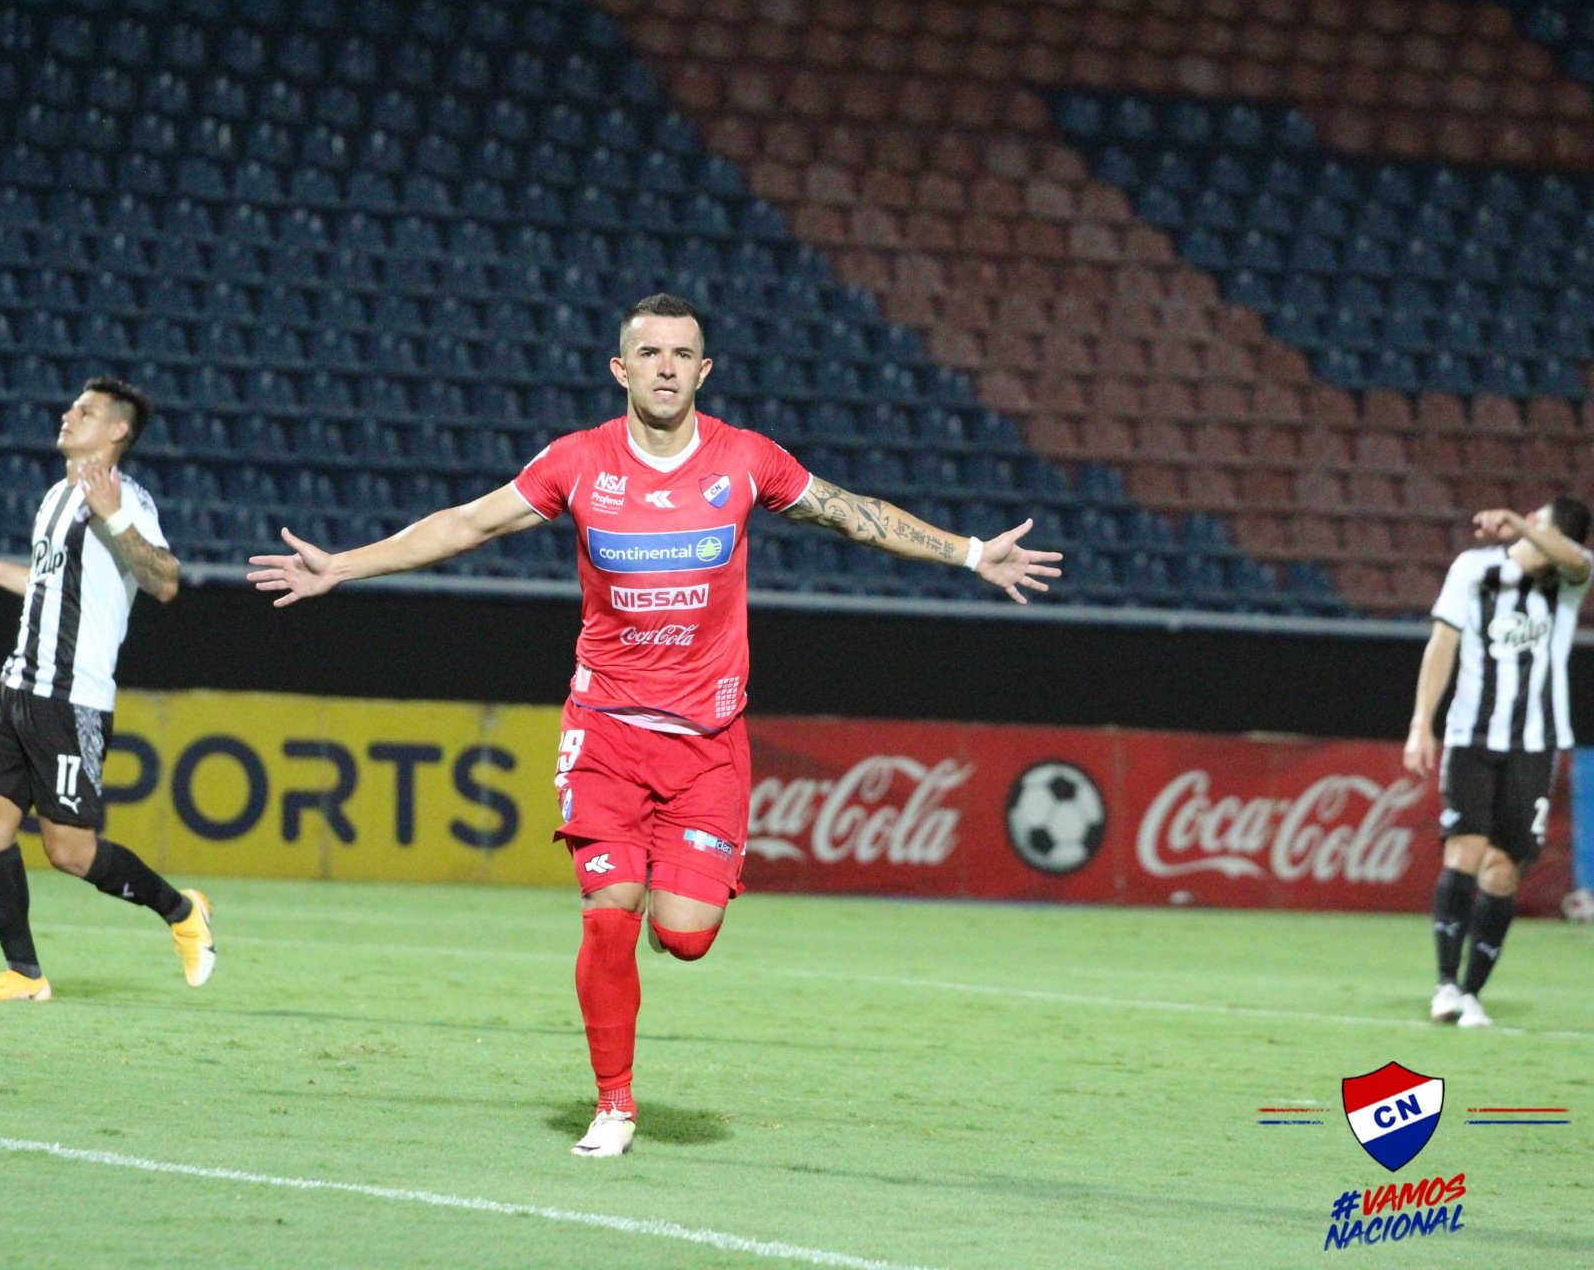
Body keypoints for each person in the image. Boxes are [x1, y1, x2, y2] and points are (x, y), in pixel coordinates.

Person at [250, 294, 1060, 1154]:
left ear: (704, 371)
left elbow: (850, 513)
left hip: (710, 743)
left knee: (685, 935)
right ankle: (614, 1104)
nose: (667, 366)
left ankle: (668, 919)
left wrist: (972, 553)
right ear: (621, 368)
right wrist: (344, 566)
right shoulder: (578, 462)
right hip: (604, 729)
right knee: (609, 911)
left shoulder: (746, 460)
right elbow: (467, 524)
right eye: (651, 353)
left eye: (683, 354)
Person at [0, 378, 215, 1002]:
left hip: (71, 698)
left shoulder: (127, 499)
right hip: (18, 684)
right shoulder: (54, 497)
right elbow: (51, 587)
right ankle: (24, 974)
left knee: (69, 852)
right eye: (70, 406)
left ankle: (182, 911)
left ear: (117, 431)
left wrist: (114, 513)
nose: (68, 416)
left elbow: (166, 581)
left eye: (85, 411)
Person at [1406, 496, 1591, 1028]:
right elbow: (1442, 644)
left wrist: (1520, 526)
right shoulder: (1474, 568)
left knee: (1504, 871)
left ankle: (1471, 993)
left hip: (1535, 745)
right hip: (1471, 737)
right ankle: (1444, 983)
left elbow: (1578, 560)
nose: (1527, 521)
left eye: (1539, 519)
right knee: (1463, 852)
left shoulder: (1568, 579)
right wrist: (1422, 722)